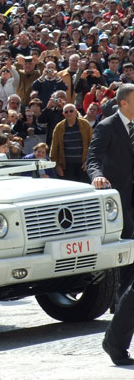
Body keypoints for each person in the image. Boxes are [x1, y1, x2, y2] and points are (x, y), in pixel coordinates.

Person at [87, 84, 134, 366]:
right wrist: (97, 177)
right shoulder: (106, 126)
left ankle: (116, 338)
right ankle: (116, 337)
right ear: (125, 103)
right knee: (128, 268)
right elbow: (92, 158)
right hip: (119, 202)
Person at [49, 104, 92, 182]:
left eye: (71, 111)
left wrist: (88, 161)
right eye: (66, 112)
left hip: (83, 165)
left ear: (76, 112)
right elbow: (54, 148)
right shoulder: (59, 127)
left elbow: (92, 144)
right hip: (66, 166)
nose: (69, 113)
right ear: (63, 114)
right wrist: (57, 165)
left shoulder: (85, 124)